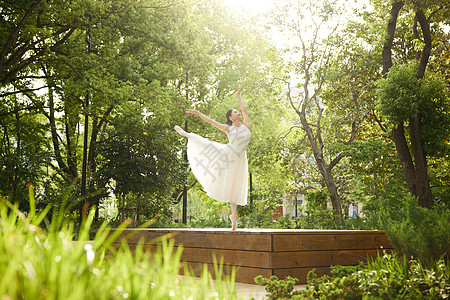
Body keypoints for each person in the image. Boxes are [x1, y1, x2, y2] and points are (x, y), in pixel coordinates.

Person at [174, 85, 251, 230]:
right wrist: (197, 113)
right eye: (235, 112)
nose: (238, 113)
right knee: (208, 145)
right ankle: (187, 134)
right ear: (230, 117)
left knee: (235, 186)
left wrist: (239, 95)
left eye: (238, 111)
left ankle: (234, 216)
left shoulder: (246, 125)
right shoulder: (228, 128)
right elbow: (210, 121)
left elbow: (244, 110)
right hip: (228, 155)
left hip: (240, 160)